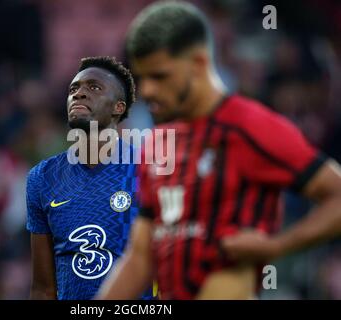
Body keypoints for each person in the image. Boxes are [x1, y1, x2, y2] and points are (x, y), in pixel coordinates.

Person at [96, 1, 341, 300]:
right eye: (141, 77)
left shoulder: (250, 126)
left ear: (198, 64)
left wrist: (277, 245)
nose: (146, 91)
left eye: (159, 76)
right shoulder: (158, 143)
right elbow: (141, 257)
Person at [26, 56, 153, 299]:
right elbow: (43, 288)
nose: (80, 94)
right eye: (74, 88)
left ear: (119, 107)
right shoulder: (42, 178)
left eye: (94, 87)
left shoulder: (148, 169)